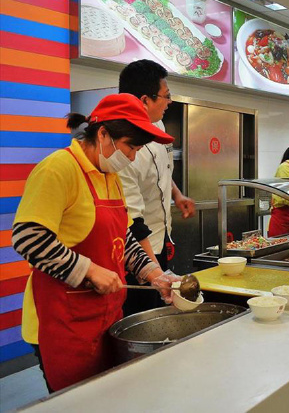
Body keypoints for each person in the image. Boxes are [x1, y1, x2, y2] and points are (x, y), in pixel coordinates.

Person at [12, 94, 179, 392]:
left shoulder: (110, 176)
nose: (131, 157)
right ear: (102, 134)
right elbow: (28, 237)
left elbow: (123, 239)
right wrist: (88, 270)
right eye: (130, 147)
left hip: (106, 318)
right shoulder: (58, 169)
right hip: (62, 323)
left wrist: (155, 274)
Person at [117, 59, 195, 316]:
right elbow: (133, 222)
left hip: (161, 240)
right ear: (145, 100)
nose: (169, 102)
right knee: (140, 314)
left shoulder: (158, 125)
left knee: (158, 310)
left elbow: (162, 169)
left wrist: (176, 194)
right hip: (137, 250)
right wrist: (154, 272)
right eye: (166, 95)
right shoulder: (121, 153)